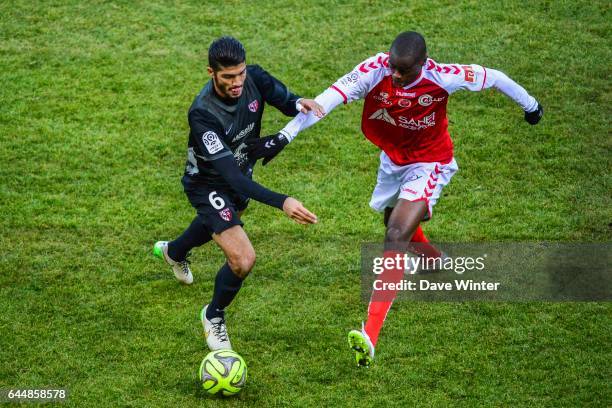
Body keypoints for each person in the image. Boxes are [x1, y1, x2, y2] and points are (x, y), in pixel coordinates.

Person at [247, 31, 543, 366]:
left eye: (403, 71)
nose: (395, 76)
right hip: (393, 160)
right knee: (393, 220)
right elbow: (327, 99)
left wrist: (531, 106)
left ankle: (369, 335)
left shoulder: (444, 76)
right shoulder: (376, 70)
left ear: (422, 64)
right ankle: (432, 259)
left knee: (396, 234)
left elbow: (496, 77)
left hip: (430, 162)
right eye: (393, 68)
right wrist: (285, 136)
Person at [153, 36, 321, 351]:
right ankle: (213, 315)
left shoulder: (253, 77)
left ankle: (173, 252)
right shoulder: (202, 113)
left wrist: (300, 102)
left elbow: (286, 101)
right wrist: (283, 201)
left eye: (240, 73)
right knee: (243, 259)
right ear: (211, 73)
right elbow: (231, 178)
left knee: (216, 222)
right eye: (228, 76)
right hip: (208, 183)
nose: (237, 82)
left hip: (240, 172)